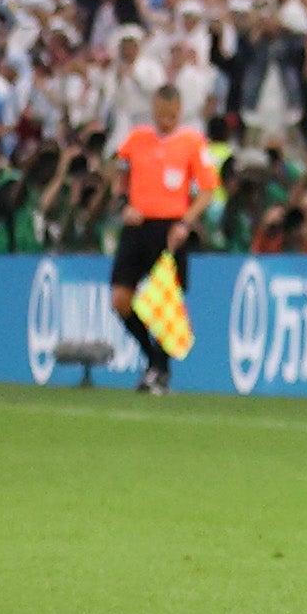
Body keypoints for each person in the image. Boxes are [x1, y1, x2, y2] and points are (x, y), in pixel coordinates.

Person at [108, 83, 214, 390]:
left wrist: (185, 223)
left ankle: (160, 372)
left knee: (165, 304)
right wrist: (124, 205)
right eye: (160, 112)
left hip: (169, 230)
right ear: (153, 108)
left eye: (171, 114)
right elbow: (118, 175)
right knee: (121, 299)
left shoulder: (192, 142)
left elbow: (207, 191)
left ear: (179, 110)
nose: (165, 119)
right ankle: (153, 359)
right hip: (138, 226)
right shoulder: (137, 139)